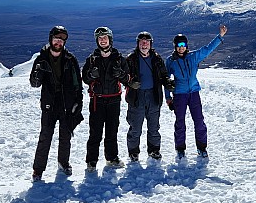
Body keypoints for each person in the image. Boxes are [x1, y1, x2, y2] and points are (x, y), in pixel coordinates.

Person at [165, 25, 228, 159]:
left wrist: (220, 36)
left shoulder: (193, 57)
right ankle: (180, 148)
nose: (181, 47)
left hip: (194, 93)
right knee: (180, 122)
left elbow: (207, 49)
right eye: (178, 45)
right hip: (179, 95)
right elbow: (166, 80)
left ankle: (201, 148)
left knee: (199, 121)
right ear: (175, 46)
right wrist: (168, 97)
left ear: (186, 46)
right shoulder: (171, 61)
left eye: (183, 44)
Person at [29, 26, 84, 180]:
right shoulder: (42, 58)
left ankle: (63, 163)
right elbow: (34, 84)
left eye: (61, 40)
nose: (58, 42)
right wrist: (37, 74)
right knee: (45, 136)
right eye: (56, 39)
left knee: (65, 135)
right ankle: (38, 170)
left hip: (66, 103)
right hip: (49, 104)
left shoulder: (70, 59)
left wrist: (78, 102)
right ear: (50, 39)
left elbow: (77, 84)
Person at [82, 26, 130, 170]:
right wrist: (91, 75)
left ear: (110, 40)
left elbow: (128, 79)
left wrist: (120, 75)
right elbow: (84, 78)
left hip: (114, 100)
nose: (103, 40)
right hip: (98, 100)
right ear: (97, 41)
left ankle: (112, 158)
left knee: (112, 131)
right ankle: (91, 161)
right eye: (100, 38)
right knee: (95, 132)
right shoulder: (91, 60)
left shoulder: (119, 59)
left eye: (105, 38)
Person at [124, 31, 174, 162]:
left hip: (153, 95)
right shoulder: (131, 59)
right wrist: (130, 83)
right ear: (138, 44)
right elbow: (123, 77)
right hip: (137, 96)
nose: (144, 44)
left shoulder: (157, 59)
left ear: (151, 44)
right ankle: (133, 152)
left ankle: (154, 150)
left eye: (147, 42)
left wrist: (168, 83)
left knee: (153, 127)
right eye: (142, 42)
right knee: (135, 127)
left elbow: (163, 75)